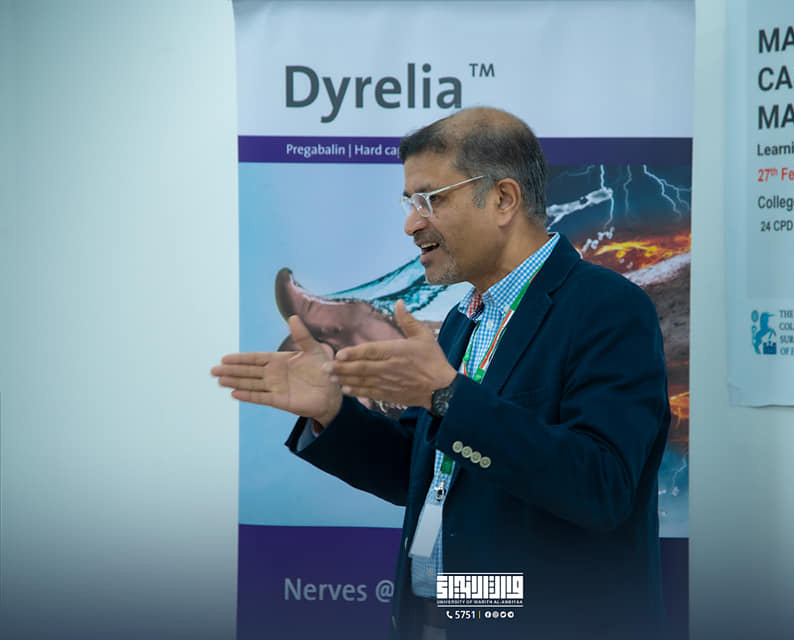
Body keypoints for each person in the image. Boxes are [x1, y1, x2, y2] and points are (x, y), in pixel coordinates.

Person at [213, 107, 671, 639]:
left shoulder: (608, 308)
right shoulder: (461, 321)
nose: (411, 223)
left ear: (503, 200)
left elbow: (603, 487)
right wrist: (333, 412)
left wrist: (449, 396)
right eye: (409, 202)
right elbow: (422, 470)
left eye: (431, 199)